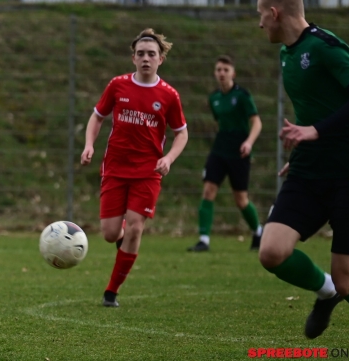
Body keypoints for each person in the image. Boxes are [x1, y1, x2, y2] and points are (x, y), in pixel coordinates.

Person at [257, 0, 349, 344]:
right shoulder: (286, 53)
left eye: (261, 14)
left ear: (275, 13)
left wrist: (315, 131)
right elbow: (316, 106)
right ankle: (325, 291)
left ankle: (336, 289)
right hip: (309, 169)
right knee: (271, 252)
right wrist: (303, 144)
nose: (259, 23)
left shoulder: (325, 47)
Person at [80, 28, 188, 308]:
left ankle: (111, 292)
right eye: (140, 53)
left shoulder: (168, 95)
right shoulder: (118, 85)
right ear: (133, 57)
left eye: (151, 54)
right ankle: (125, 229)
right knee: (109, 234)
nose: (146, 59)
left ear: (160, 59)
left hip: (148, 173)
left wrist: (168, 159)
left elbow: (182, 133)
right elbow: (97, 117)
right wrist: (89, 144)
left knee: (136, 229)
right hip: (115, 168)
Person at [188, 55, 263, 252]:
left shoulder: (242, 96)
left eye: (225, 70)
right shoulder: (214, 98)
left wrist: (248, 142)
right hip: (219, 150)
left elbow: (256, 122)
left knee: (241, 199)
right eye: (218, 69)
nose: (222, 73)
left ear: (233, 73)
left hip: (239, 152)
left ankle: (258, 232)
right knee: (208, 191)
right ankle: (204, 239)